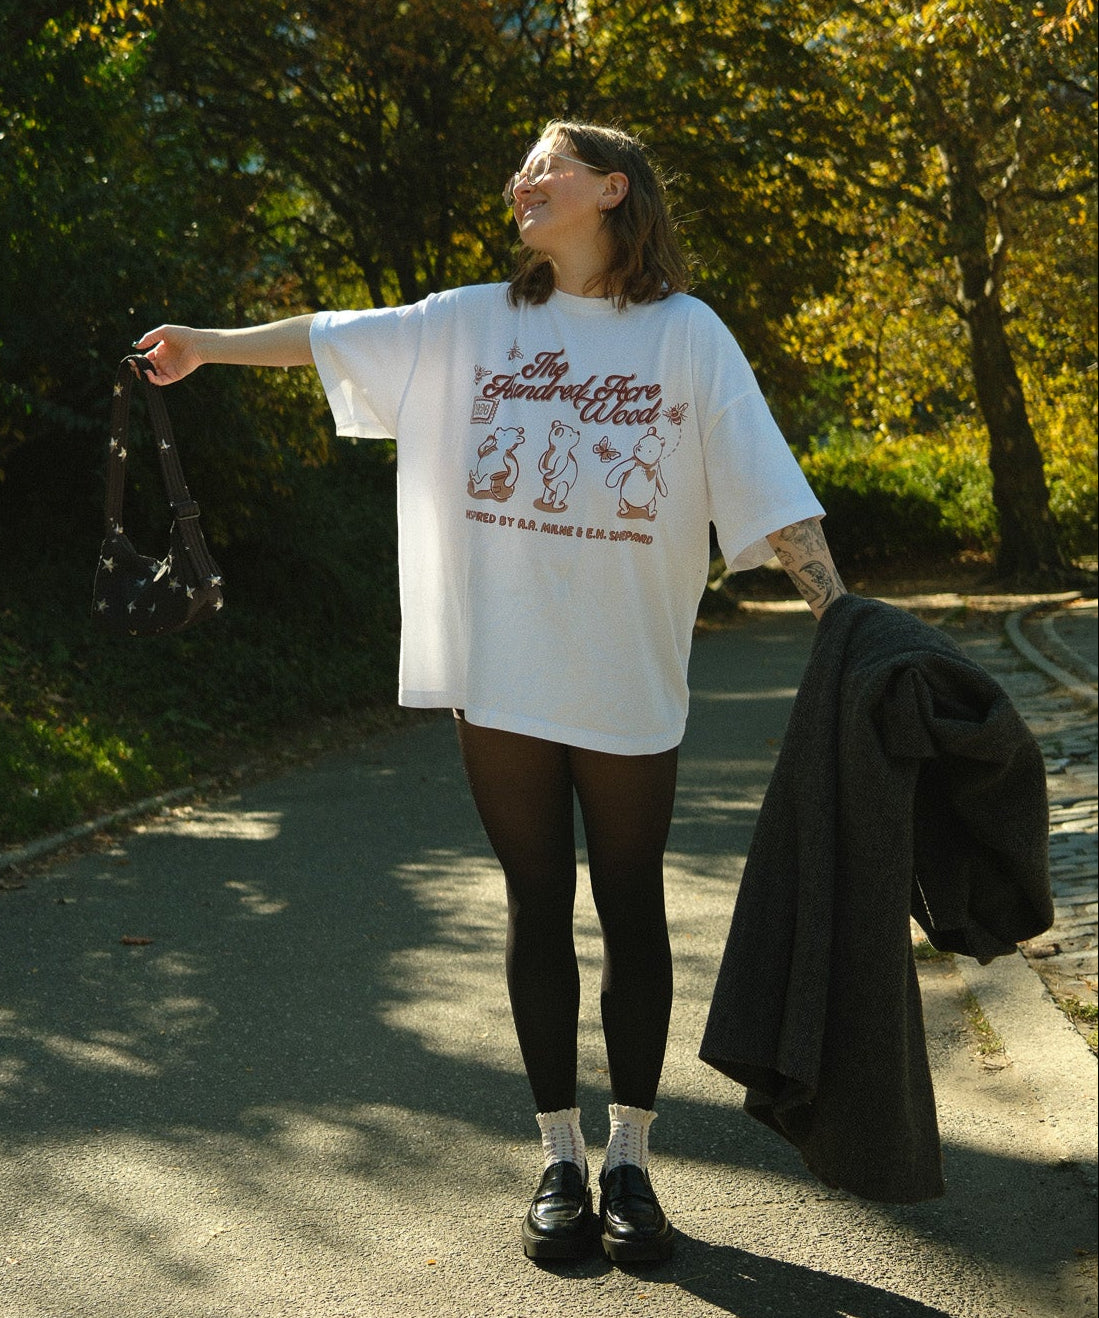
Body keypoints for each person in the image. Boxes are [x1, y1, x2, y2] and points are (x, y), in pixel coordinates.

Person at [135, 119, 846, 1265]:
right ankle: (560, 1153)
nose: (522, 179)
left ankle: (632, 1160)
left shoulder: (687, 338)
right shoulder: (471, 321)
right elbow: (328, 337)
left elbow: (770, 493)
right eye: (520, 166)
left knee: (630, 907)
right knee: (533, 903)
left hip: (625, 673)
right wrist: (205, 345)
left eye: (546, 164)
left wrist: (845, 621)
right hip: (502, 677)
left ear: (613, 189)